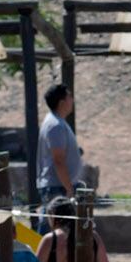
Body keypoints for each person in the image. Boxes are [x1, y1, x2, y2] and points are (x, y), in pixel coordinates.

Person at [37, 83, 83, 217]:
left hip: (59, 186)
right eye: (70, 96)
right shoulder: (55, 125)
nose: (72, 100)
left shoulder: (57, 123)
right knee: (52, 228)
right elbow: (58, 160)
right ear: (62, 103)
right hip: (57, 188)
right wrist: (69, 188)